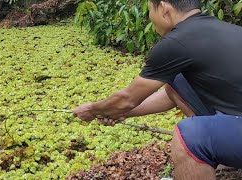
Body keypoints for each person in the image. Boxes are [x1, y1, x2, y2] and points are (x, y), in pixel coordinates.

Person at [73, 0, 242, 179]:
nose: (149, 18)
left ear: (163, 8)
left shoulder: (177, 41)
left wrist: (93, 110)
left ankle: (206, 153)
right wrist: (119, 113)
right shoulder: (226, 29)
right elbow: (170, 95)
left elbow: (127, 99)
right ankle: (215, 154)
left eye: (149, 10)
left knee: (189, 137)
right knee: (178, 82)